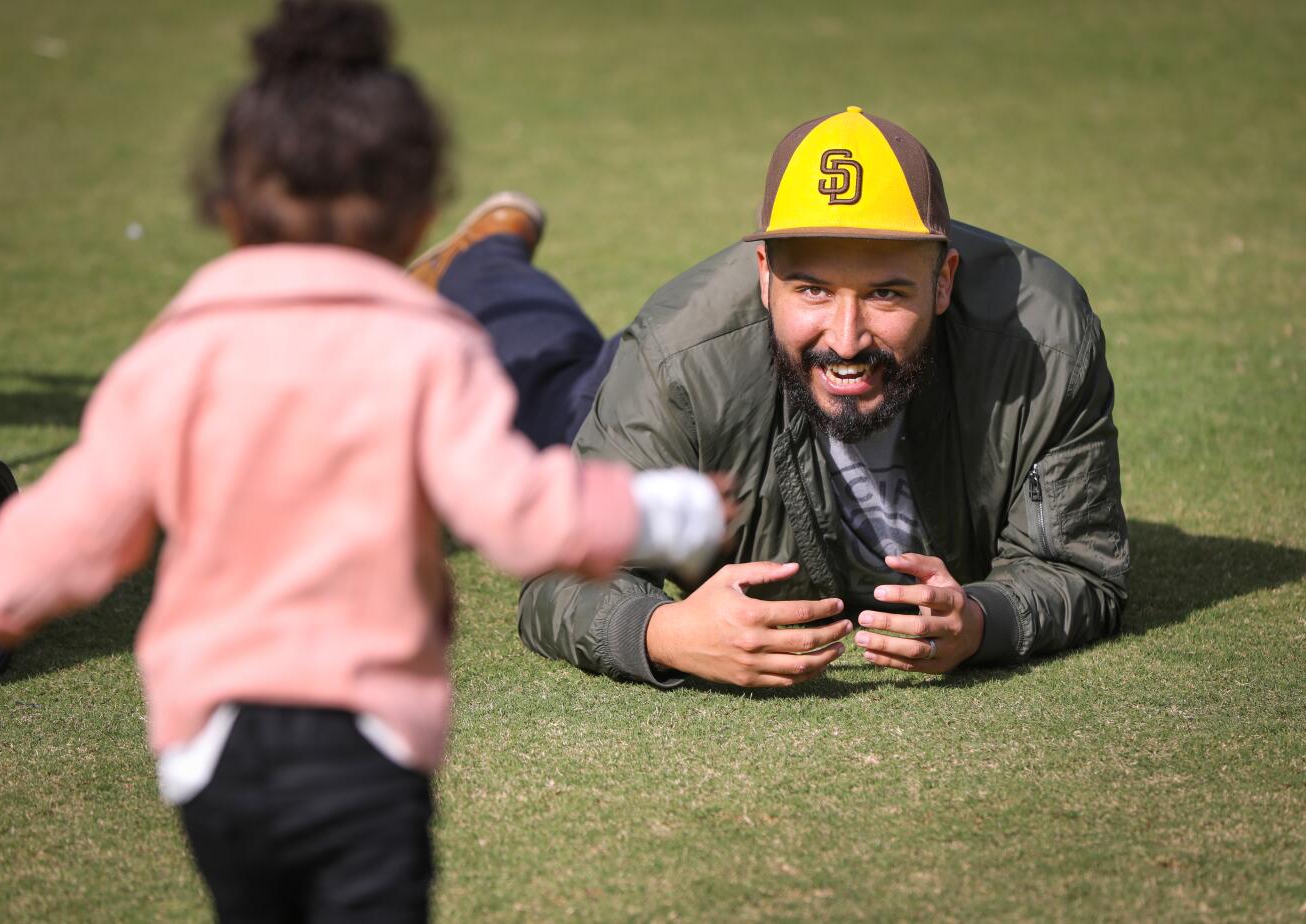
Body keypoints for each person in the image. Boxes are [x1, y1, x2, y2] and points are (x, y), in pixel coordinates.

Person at [0, 2, 728, 920]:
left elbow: (85, 515)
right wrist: (662, 514)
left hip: (210, 742)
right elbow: (517, 509)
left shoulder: (184, 344)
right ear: (417, 213)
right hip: (362, 732)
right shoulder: (426, 345)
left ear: (230, 203)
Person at [408, 106, 1130, 690]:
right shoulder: (680, 361)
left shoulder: (1045, 347)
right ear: (764, 276)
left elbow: (1080, 569)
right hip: (689, 392)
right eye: (811, 289)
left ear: (944, 282)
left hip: (730, 375)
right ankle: (481, 267)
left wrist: (982, 620)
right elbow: (562, 577)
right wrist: (665, 633)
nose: (846, 338)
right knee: (547, 400)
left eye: (886, 293)